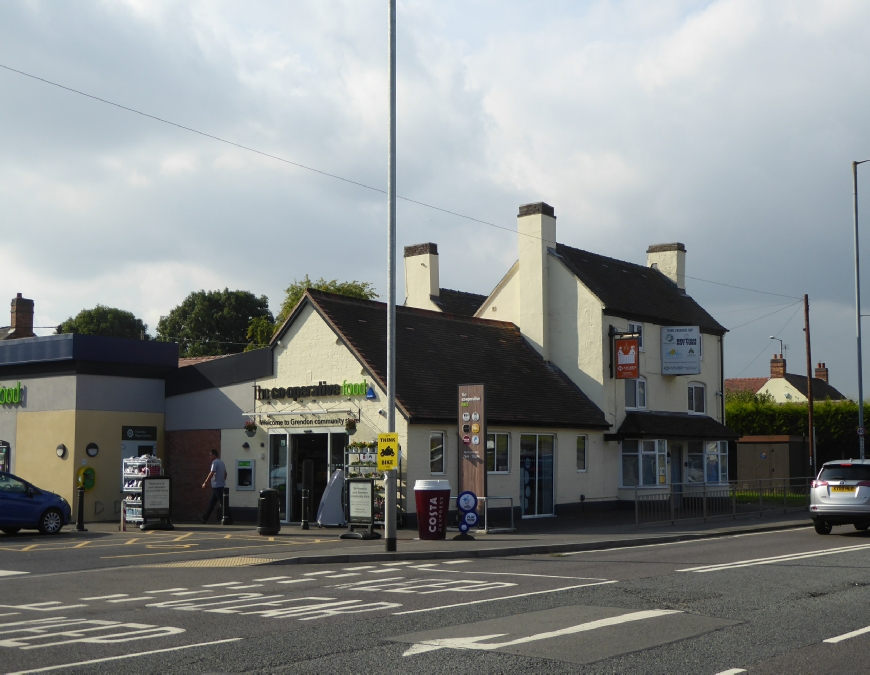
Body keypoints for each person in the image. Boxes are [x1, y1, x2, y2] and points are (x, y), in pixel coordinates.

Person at [200, 448, 227, 523]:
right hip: (219, 485)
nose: (209, 457)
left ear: (214, 455)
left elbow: (212, 473)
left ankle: (229, 518)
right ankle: (204, 518)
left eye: (210, 455)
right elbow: (225, 474)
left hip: (217, 486)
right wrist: (222, 480)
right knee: (212, 503)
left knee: (223, 503)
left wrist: (205, 482)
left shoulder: (215, 462)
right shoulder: (222, 462)